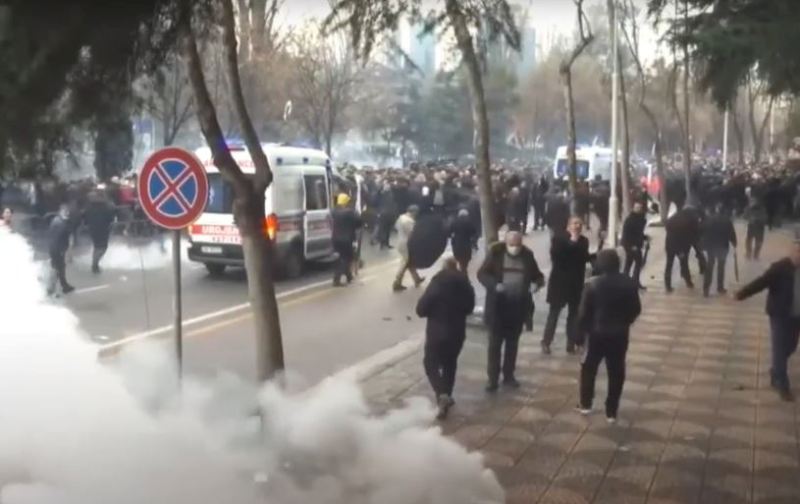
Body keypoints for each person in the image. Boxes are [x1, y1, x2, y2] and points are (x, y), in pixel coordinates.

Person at [575, 249, 642, 422]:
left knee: (589, 368)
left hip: (596, 334)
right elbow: (636, 309)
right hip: (619, 334)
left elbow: (583, 313)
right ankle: (611, 410)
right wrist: (625, 321)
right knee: (616, 371)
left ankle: (586, 403)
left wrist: (579, 335)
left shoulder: (592, 284)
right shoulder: (629, 283)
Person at [478, 231, 545, 392]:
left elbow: (538, 276)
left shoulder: (527, 256)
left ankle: (509, 375)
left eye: (518, 244)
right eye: (512, 244)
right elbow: (482, 274)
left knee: (512, 345)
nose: (515, 248)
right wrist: (494, 285)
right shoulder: (496, 255)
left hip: (517, 307)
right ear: (506, 243)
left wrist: (536, 284)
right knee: (494, 345)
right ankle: (492, 379)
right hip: (498, 308)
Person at [735, 241, 800, 402]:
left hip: (796, 317)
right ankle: (782, 385)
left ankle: (776, 370)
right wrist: (741, 294)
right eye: (798, 251)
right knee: (779, 349)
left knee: (790, 346)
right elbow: (761, 282)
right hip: (779, 314)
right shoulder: (780, 268)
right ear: (791, 252)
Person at [416, 257, 476, 419]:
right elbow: (470, 307)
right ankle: (446, 397)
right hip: (457, 331)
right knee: (450, 364)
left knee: (430, 363)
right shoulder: (465, 283)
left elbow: (421, 309)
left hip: (437, 332)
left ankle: (441, 394)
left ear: (443, 268)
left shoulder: (437, 282)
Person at [542, 216, 593, 355]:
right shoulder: (559, 239)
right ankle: (546, 341)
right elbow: (557, 257)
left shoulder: (584, 241)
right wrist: (573, 242)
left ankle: (571, 343)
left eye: (580, 224)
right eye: (574, 223)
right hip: (559, 283)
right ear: (568, 226)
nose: (577, 226)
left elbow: (584, 257)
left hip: (576, 283)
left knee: (574, 315)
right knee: (554, 313)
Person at [701, 204, 737, 297]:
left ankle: (706, 289)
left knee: (709, 267)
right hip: (722, 246)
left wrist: (702, 244)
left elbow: (702, 230)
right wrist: (734, 243)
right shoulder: (727, 221)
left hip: (711, 246)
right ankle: (720, 287)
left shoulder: (709, 219)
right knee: (721, 267)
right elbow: (732, 234)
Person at [331, 193, 362, 287]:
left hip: (335, 238)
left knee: (341, 258)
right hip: (346, 239)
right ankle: (336, 279)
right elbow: (359, 222)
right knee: (347, 258)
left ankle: (349, 277)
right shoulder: (350, 212)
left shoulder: (334, 211)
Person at [83, 190, 116, 274]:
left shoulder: (89, 206)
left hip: (92, 228)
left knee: (97, 247)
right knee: (102, 247)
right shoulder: (106, 206)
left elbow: (85, 216)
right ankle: (95, 265)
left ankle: (95, 264)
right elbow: (111, 217)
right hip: (103, 228)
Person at [393, 205, 424, 292]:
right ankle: (397, 282)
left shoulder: (401, 217)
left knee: (409, 261)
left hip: (400, 241)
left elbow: (396, 227)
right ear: (413, 212)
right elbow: (412, 234)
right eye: (416, 213)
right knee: (404, 263)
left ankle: (417, 279)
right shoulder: (409, 221)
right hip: (406, 243)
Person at [47, 204, 75, 296]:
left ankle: (64, 286)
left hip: (54, 248)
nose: (68, 213)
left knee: (60, 268)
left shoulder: (56, 220)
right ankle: (51, 289)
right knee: (57, 269)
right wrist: (64, 251)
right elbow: (62, 238)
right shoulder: (62, 224)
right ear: (61, 211)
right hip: (58, 249)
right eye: (66, 211)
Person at [621, 201, 648, 289]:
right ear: (633, 208)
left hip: (635, 244)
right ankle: (633, 281)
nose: (638, 209)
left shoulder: (642, 219)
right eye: (636, 208)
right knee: (637, 262)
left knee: (629, 262)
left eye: (640, 208)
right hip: (630, 245)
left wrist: (644, 238)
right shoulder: (630, 220)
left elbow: (638, 232)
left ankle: (627, 281)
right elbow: (627, 234)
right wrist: (632, 246)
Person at [449, 208, 477, 273]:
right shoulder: (469, 222)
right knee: (465, 261)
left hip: (456, 244)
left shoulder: (454, 222)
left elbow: (449, 232)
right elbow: (474, 232)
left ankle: (460, 271)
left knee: (459, 259)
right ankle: (463, 271)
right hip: (466, 244)